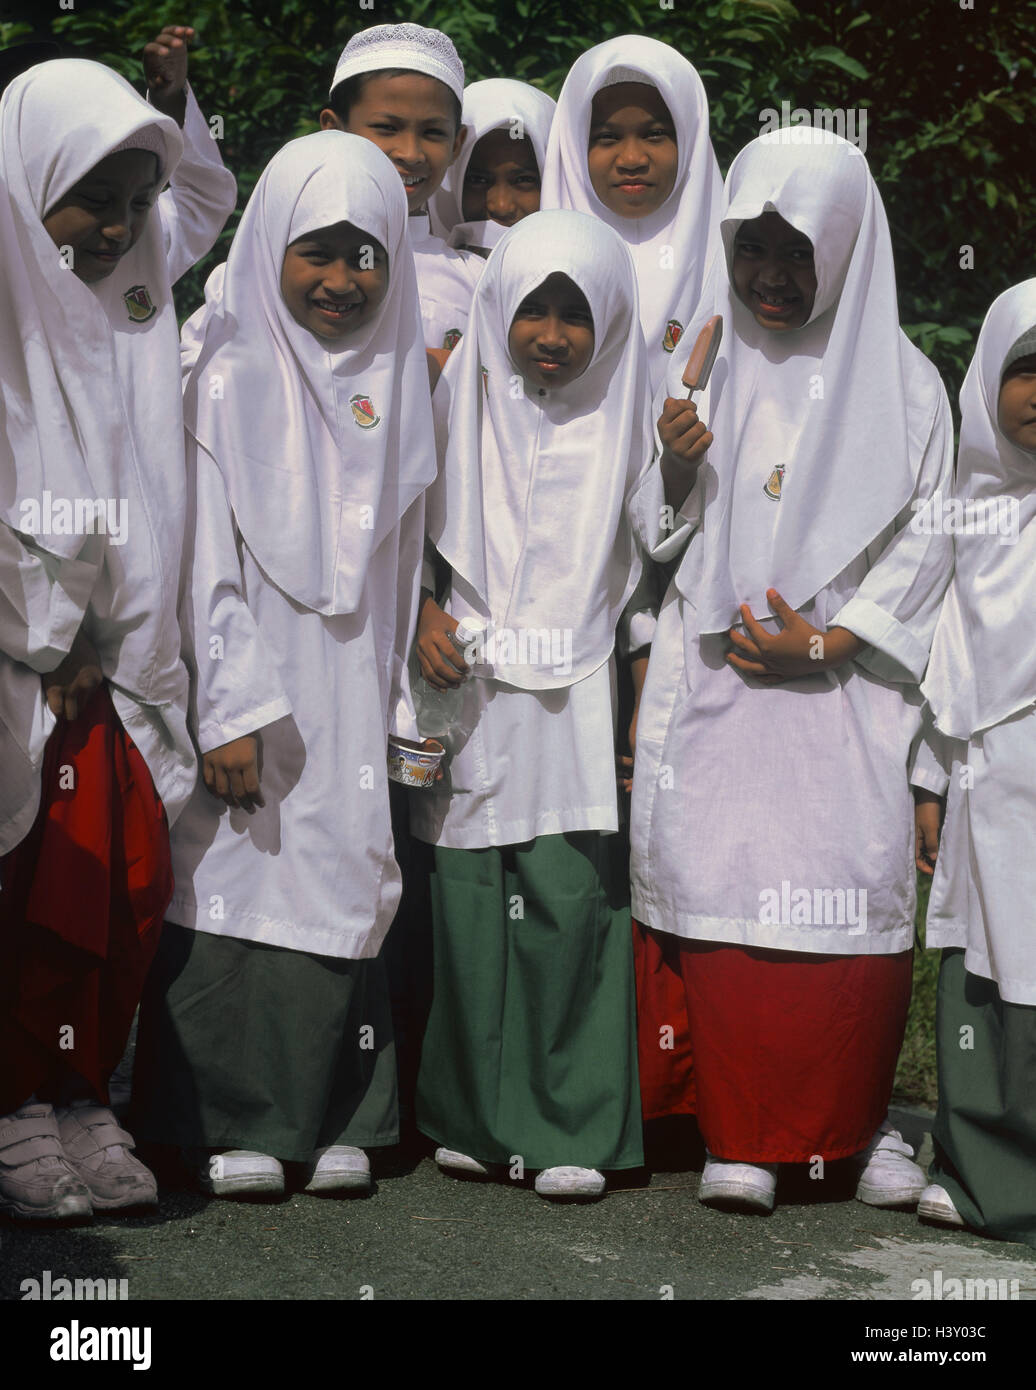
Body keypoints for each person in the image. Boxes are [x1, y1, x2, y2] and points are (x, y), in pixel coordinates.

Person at [629, 128, 955, 1214]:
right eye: (752, 248)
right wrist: (674, 461)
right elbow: (654, 534)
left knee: (839, 898)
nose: (771, 276)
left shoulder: (908, 387)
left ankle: (842, 1133)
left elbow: (925, 548)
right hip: (718, 683)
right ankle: (735, 1132)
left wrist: (828, 641)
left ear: (848, 248)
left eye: (798, 252)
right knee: (716, 887)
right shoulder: (704, 358)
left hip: (842, 696)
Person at [131, 132, 437, 1201]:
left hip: (350, 690)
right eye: (319, 252)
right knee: (237, 878)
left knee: (349, 873)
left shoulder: (399, 385)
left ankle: (341, 1115)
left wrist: (399, 702)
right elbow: (199, 564)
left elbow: (403, 567)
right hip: (253, 690)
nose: (343, 279)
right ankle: (225, 1120)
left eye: (367, 254)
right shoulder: (223, 377)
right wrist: (227, 708)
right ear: (270, 248)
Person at [0, 37, 236, 1222]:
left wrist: (172, 105)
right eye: (91, 195)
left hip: (128, 660)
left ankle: (83, 1090)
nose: (118, 224)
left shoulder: (140, 278)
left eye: (138, 201)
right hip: (35, 667)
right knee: (34, 898)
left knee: (118, 897)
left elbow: (203, 195)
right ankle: (14, 1103)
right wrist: (47, 635)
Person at [411, 209, 654, 1200]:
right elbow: (405, 526)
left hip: (576, 690)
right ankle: (472, 1116)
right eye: (532, 310)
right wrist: (420, 608)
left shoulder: (631, 409)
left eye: (575, 313)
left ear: (610, 322)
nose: (552, 335)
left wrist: (683, 466)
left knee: (565, 898)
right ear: (498, 309)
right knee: (470, 898)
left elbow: (652, 558)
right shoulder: (455, 398)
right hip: (467, 681)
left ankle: (573, 1125)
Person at [911, 278, 1036, 1248]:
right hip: (986, 780)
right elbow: (940, 654)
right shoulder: (967, 515)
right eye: (1025, 370)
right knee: (983, 972)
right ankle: (985, 1168)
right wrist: (928, 780)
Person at [541, 34, 722, 392]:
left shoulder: (735, 262)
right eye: (606, 138)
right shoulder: (532, 262)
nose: (632, 160)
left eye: (655, 134)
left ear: (690, 139)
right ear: (574, 147)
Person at [319, 22, 483, 352]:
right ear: (334, 129)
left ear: (456, 144)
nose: (411, 153)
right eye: (386, 128)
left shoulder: (475, 281)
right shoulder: (283, 260)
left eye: (433, 132)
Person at [430, 78, 555, 257]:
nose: (501, 207)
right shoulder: (409, 267)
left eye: (523, 180)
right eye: (478, 180)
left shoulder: (587, 267)